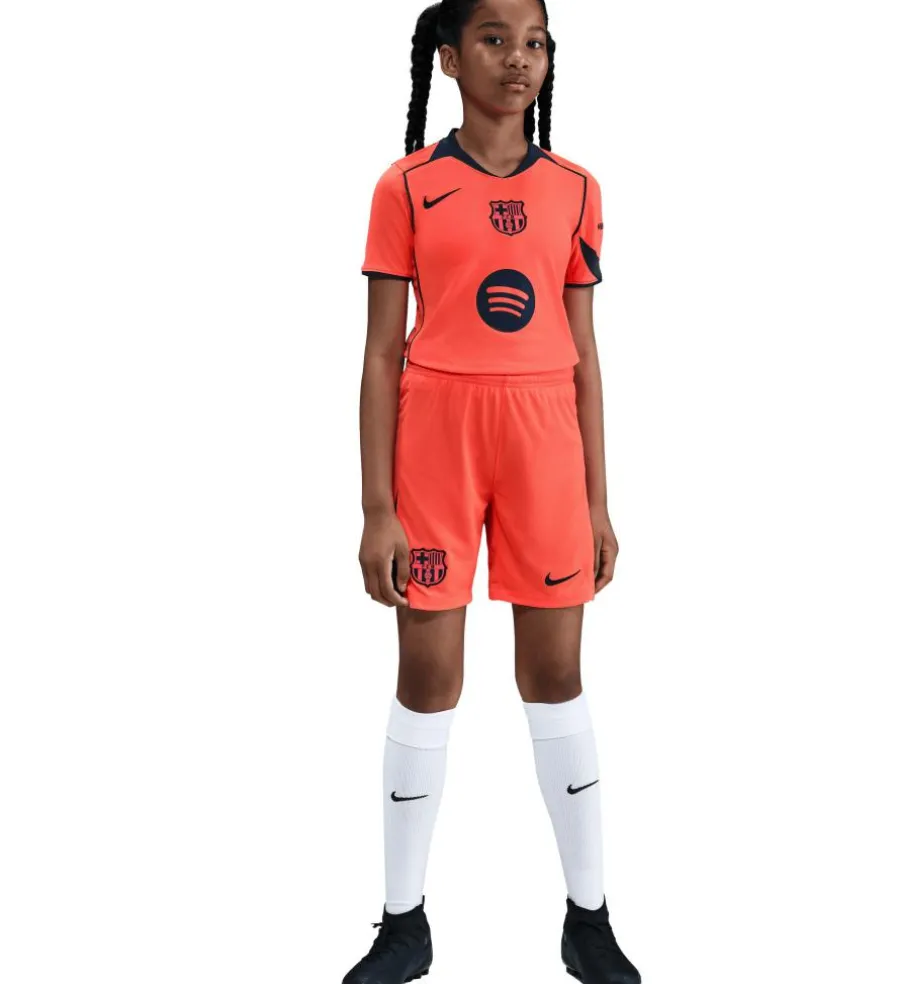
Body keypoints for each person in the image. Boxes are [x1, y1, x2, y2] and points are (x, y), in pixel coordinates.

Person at [349, 1, 640, 982]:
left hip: (544, 440)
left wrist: (597, 500)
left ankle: (589, 917)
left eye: (536, 42)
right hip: (437, 439)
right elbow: (381, 353)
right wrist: (376, 509)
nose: (520, 59)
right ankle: (402, 922)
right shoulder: (406, 186)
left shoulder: (577, 189)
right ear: (447, 58)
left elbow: (586, 355)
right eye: (495, 39)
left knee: (555, 675)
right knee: (428, 676)